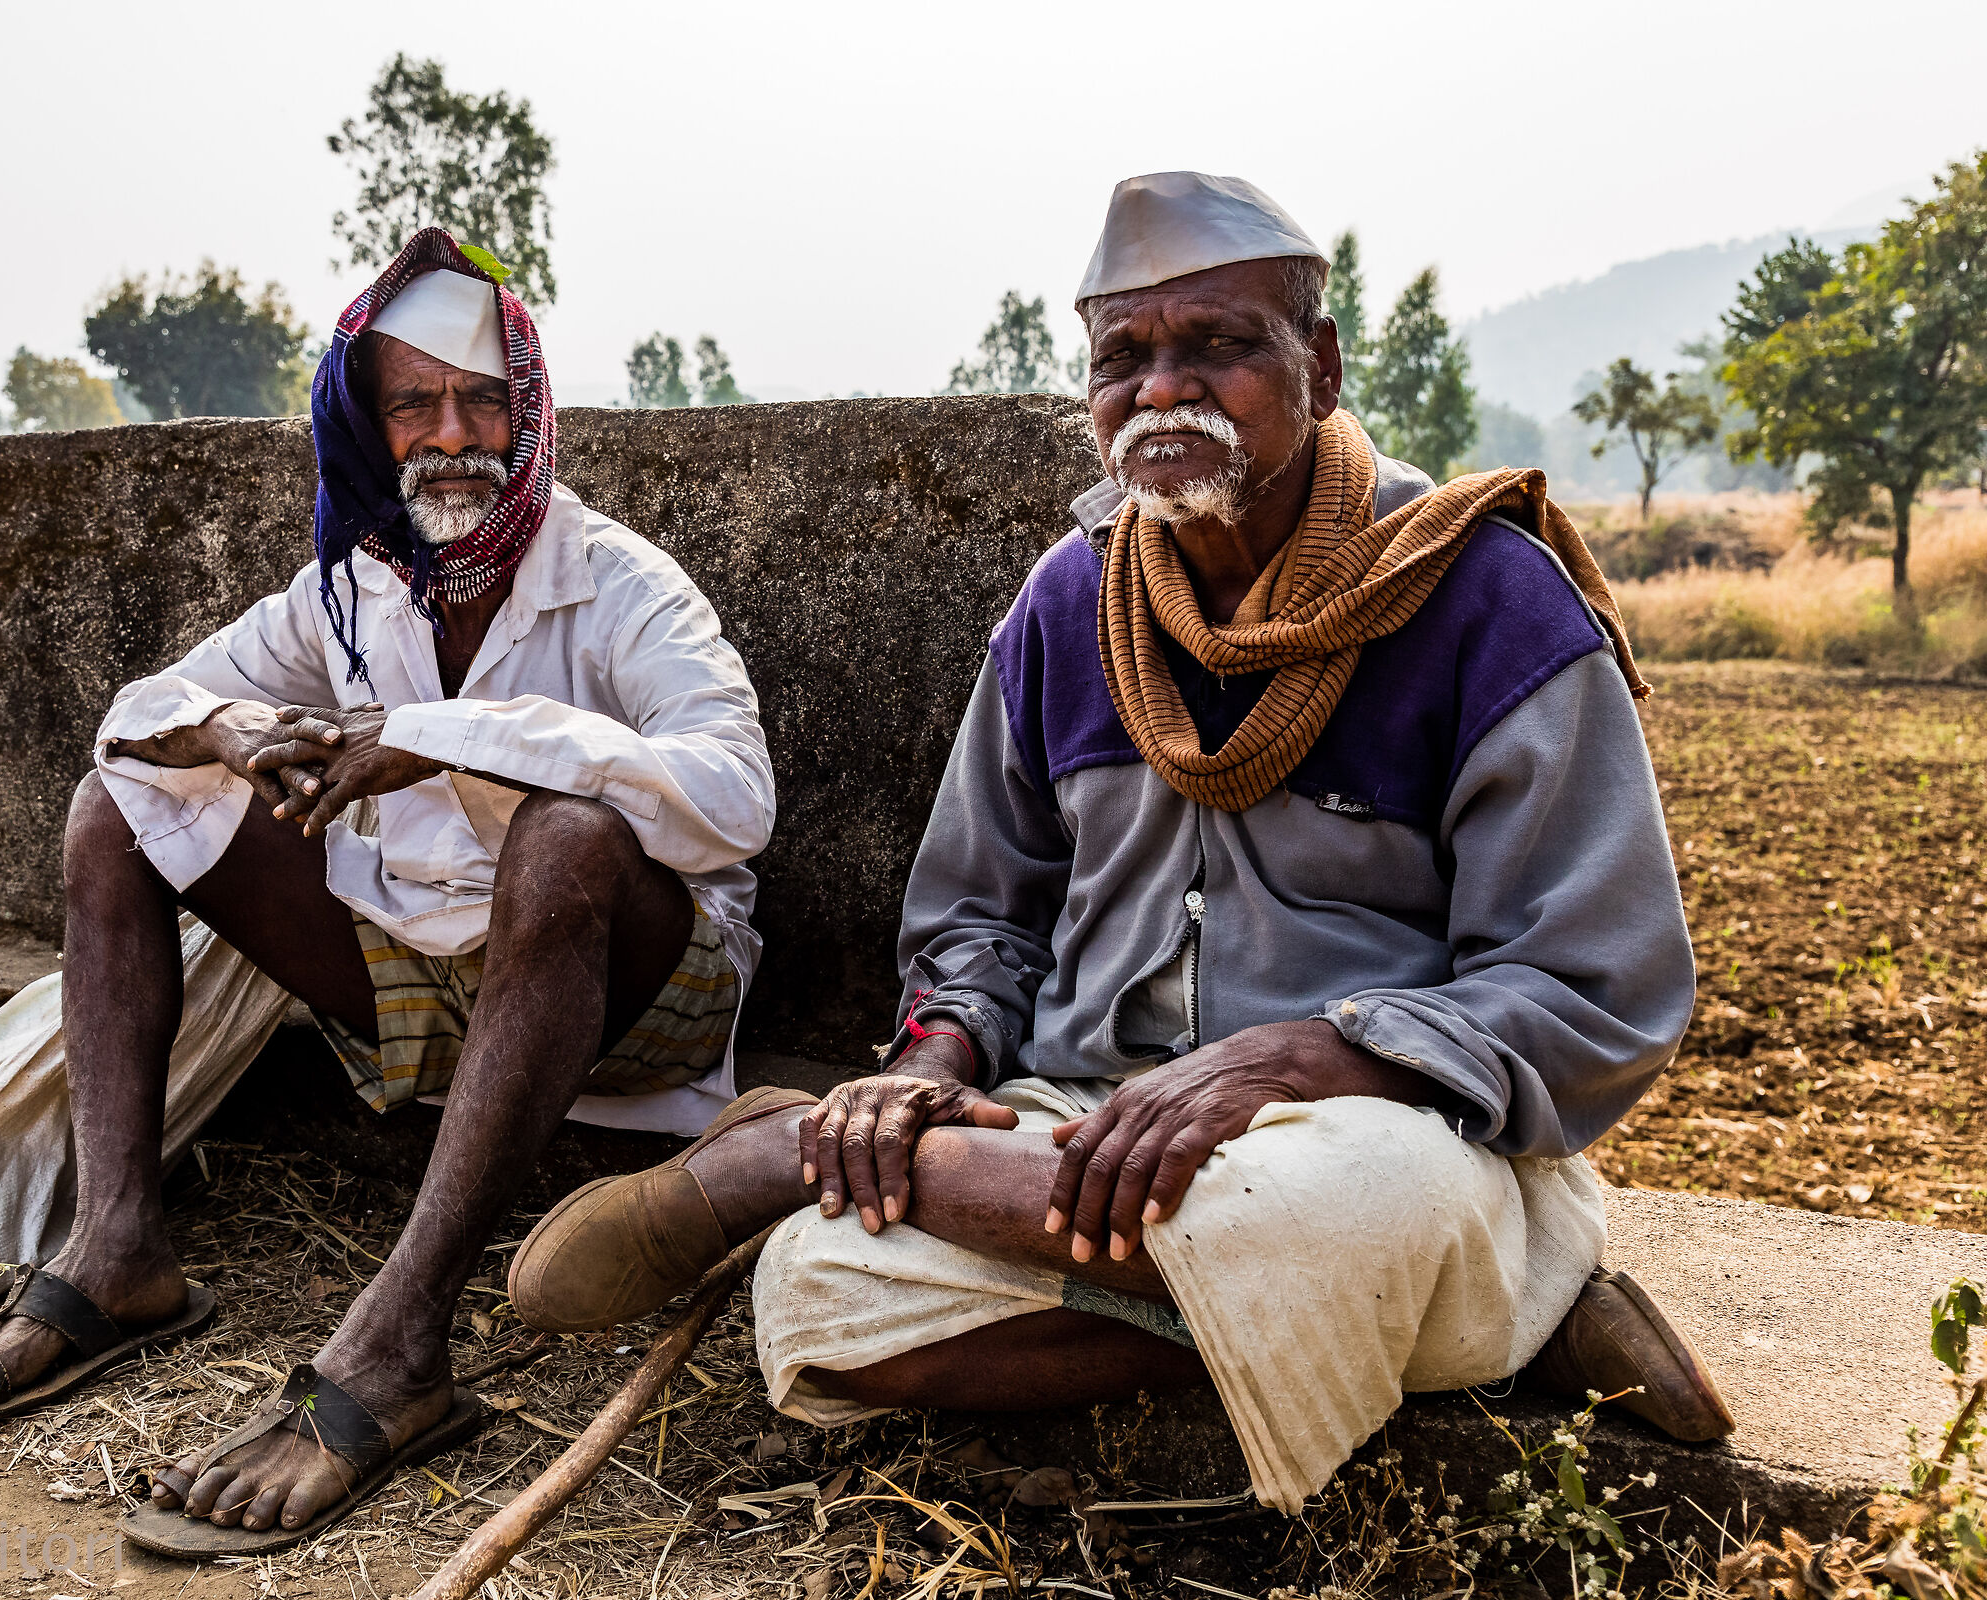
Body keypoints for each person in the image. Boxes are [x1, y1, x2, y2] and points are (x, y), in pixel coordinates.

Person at [507, 174, 1726, 1515]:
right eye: (1122, 357)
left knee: (1344, 1210)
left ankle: (781, 1153)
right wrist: (935, 1064)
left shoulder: (1483, 597)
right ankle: (1497, 1314)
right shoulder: (1067, 601)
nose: (1162, 390)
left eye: (1218, 344)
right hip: (1072, 1127)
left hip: (1369, 1130)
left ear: (1319, 364)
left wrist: (1290, 1059)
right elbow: (980, 915)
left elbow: (1591, 982)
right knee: (815, 1293)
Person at [0, 228, 773, 1551]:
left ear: (530, 412)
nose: (452, 436)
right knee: (115, 807)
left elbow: (737, 793)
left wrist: (447, 739)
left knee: (567, 838)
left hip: (637, 997)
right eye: (416, 404)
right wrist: (229, 728)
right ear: (369, 424)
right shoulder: (352, 596)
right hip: (421, 990)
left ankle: (400, 1340)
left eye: (482, 402)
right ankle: (119, 1248)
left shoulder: (620, 585)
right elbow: (138, 715)